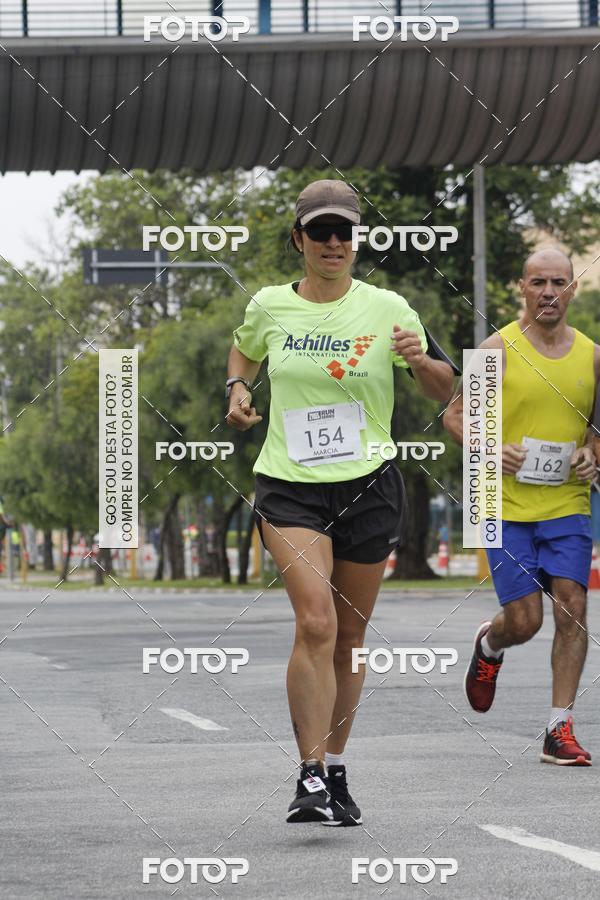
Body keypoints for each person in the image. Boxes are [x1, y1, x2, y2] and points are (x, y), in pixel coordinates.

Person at [226, 179, 457, 824]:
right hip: (289, 484)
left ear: (356, 241)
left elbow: (446, 389)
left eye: (344, 232)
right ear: (298, 238)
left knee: (351, 638)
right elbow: (243, 348)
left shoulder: (390, 308)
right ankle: (309, 773)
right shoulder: (270, 304)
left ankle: (335, 769)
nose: (333, 243)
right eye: (320, 231)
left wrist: (422, 359)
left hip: (368, 485)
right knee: (317, 623)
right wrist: (237, 391)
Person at [443, 248, 600, 766]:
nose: (549, 291)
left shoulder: (593, 357)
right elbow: (456, 416)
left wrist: (590, 456)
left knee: (572, 606)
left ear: (573, 289)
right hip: (501, 501)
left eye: (559, 282)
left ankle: (559, 728)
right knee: (525, 622)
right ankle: (490, 644)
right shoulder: (499, 348)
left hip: (567, 504)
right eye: (538, 283)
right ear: (522, 288)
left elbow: (597, 435)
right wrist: (491, 448)